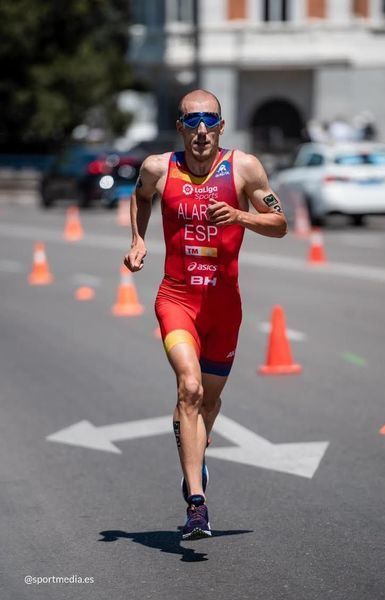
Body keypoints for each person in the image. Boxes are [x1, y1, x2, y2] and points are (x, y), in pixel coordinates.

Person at [124, 89, 287, 540]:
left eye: (209, 121)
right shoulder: (158, 168)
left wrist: (239, 216)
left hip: (224, 308)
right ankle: (197, 503)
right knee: (189, 388)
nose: (200, 130)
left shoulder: (246, 168)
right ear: (179, 125)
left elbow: (280, 224)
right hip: (176, 299)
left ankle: (195, 455)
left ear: (220, 126)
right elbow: (139, 199)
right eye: (191, 121)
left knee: (207, 403)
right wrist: (139, 241)